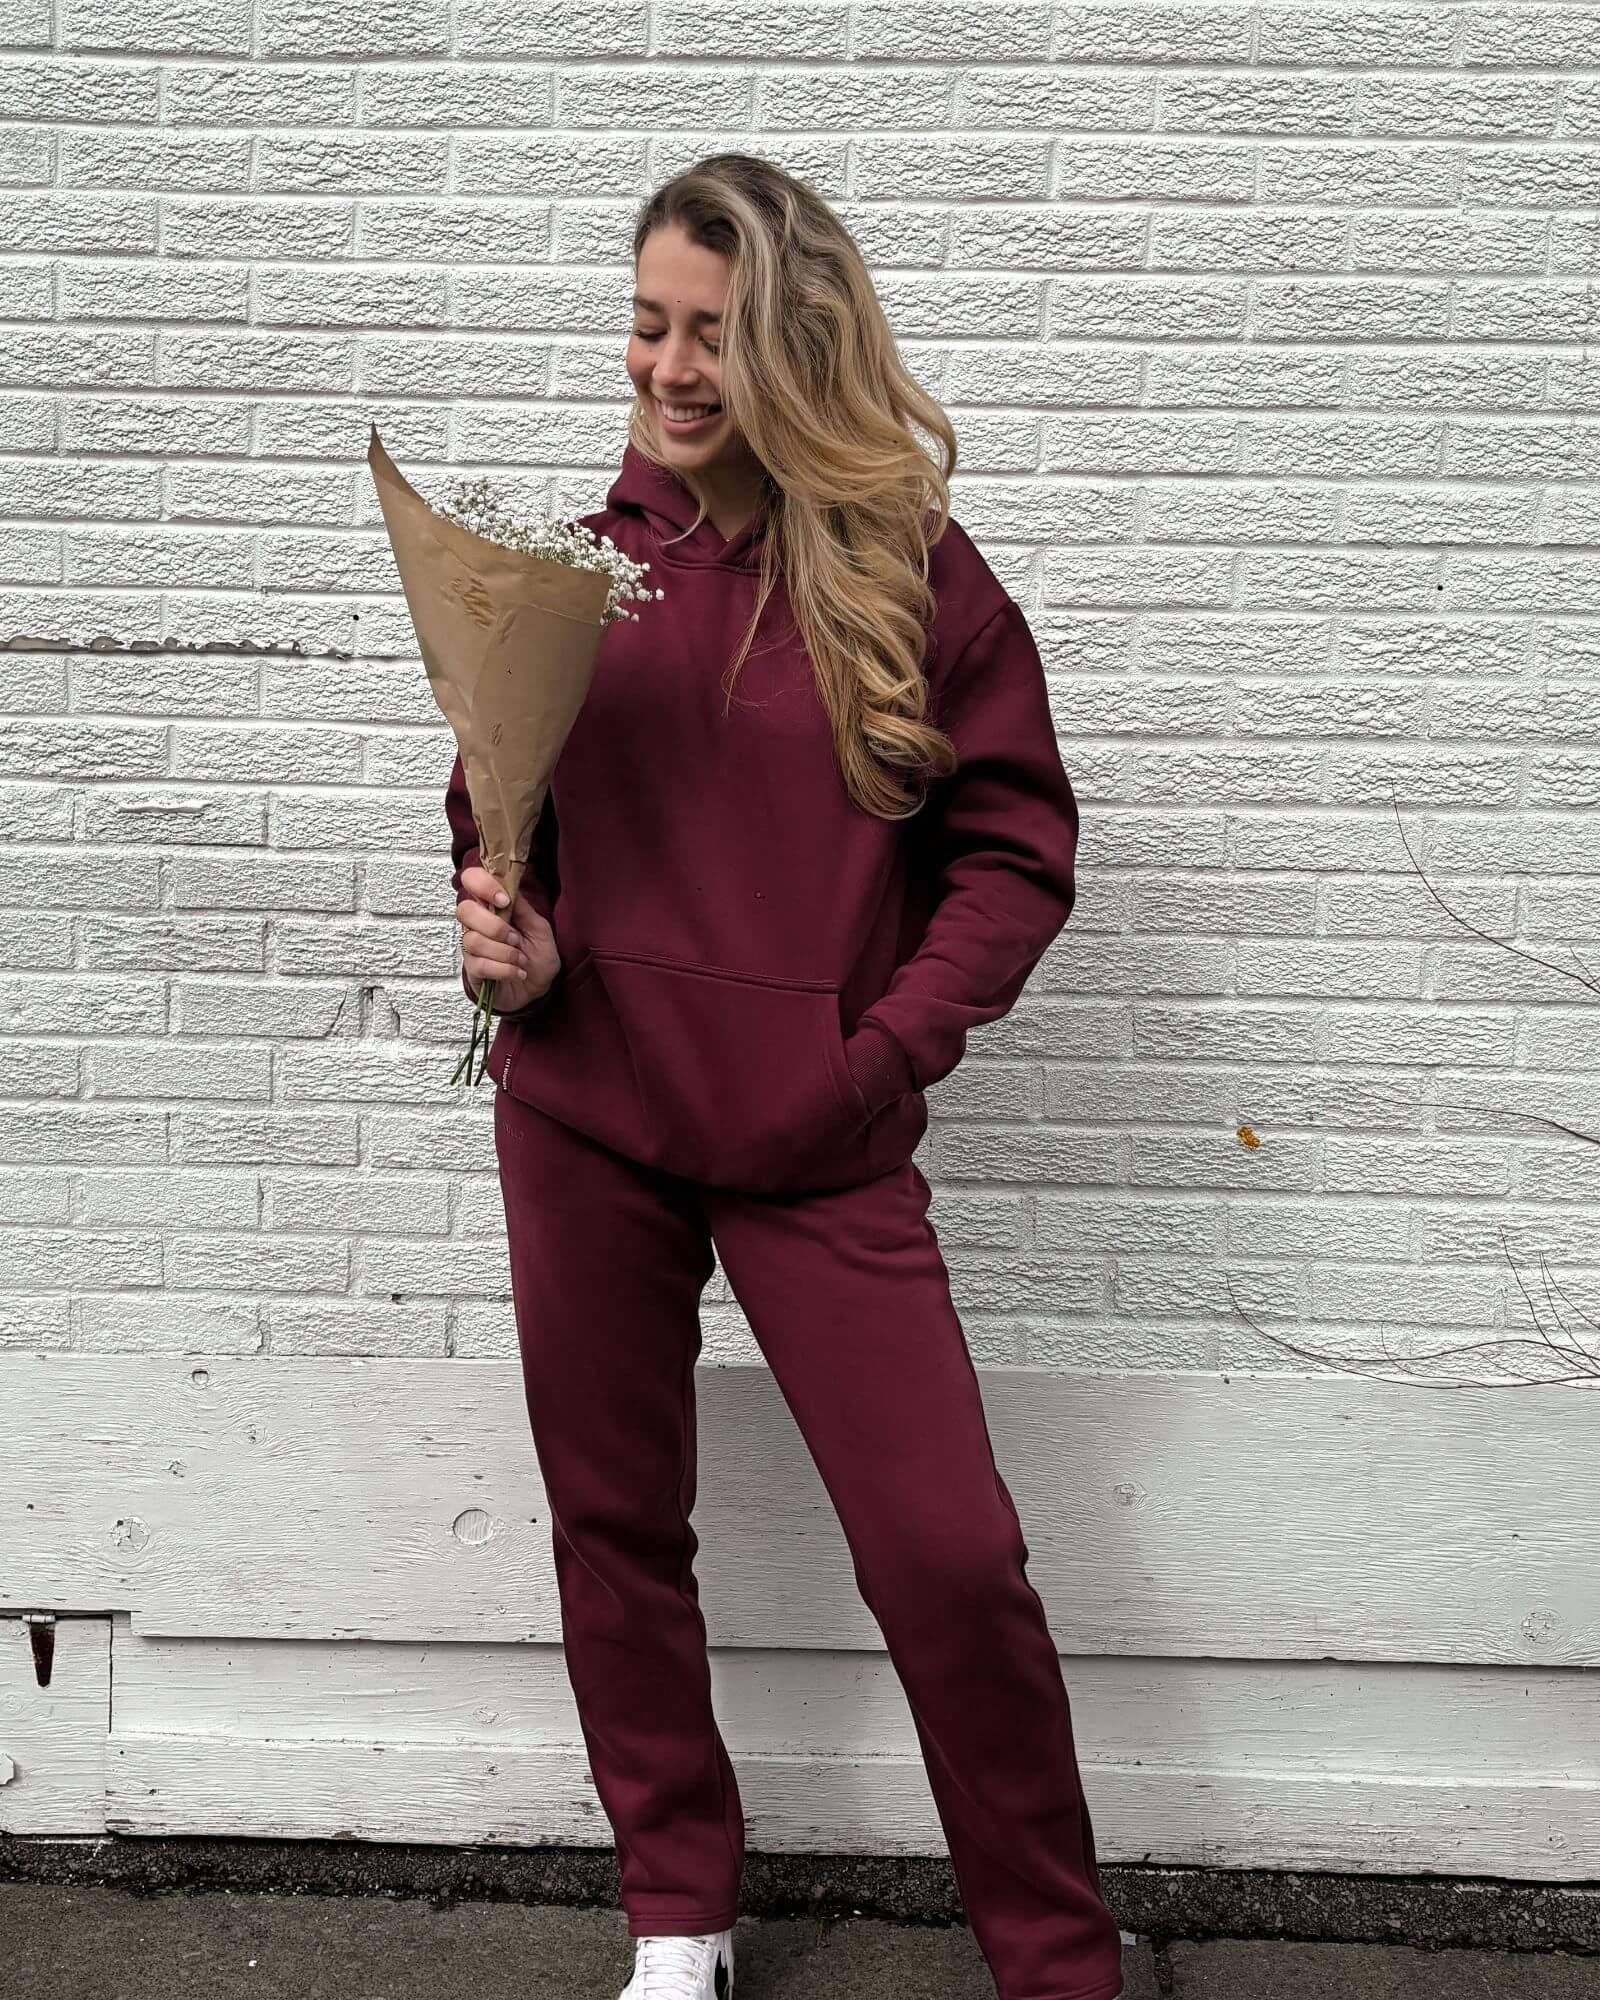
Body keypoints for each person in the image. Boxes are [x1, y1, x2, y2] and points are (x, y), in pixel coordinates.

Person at [447, 153, 1124, 2000]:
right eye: (648, 325)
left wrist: (881, 1052)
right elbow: (501, 812)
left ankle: (1058, 1964)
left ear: (797, 343)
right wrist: (515, 935)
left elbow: (1015, 855)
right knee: (616, 1525)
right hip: (587, 1114)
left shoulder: (907, 570)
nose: (668, 369)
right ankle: (679, 1911)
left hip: (813, 1138)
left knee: (948, 1556)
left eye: (712, 336)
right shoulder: (592, 561)